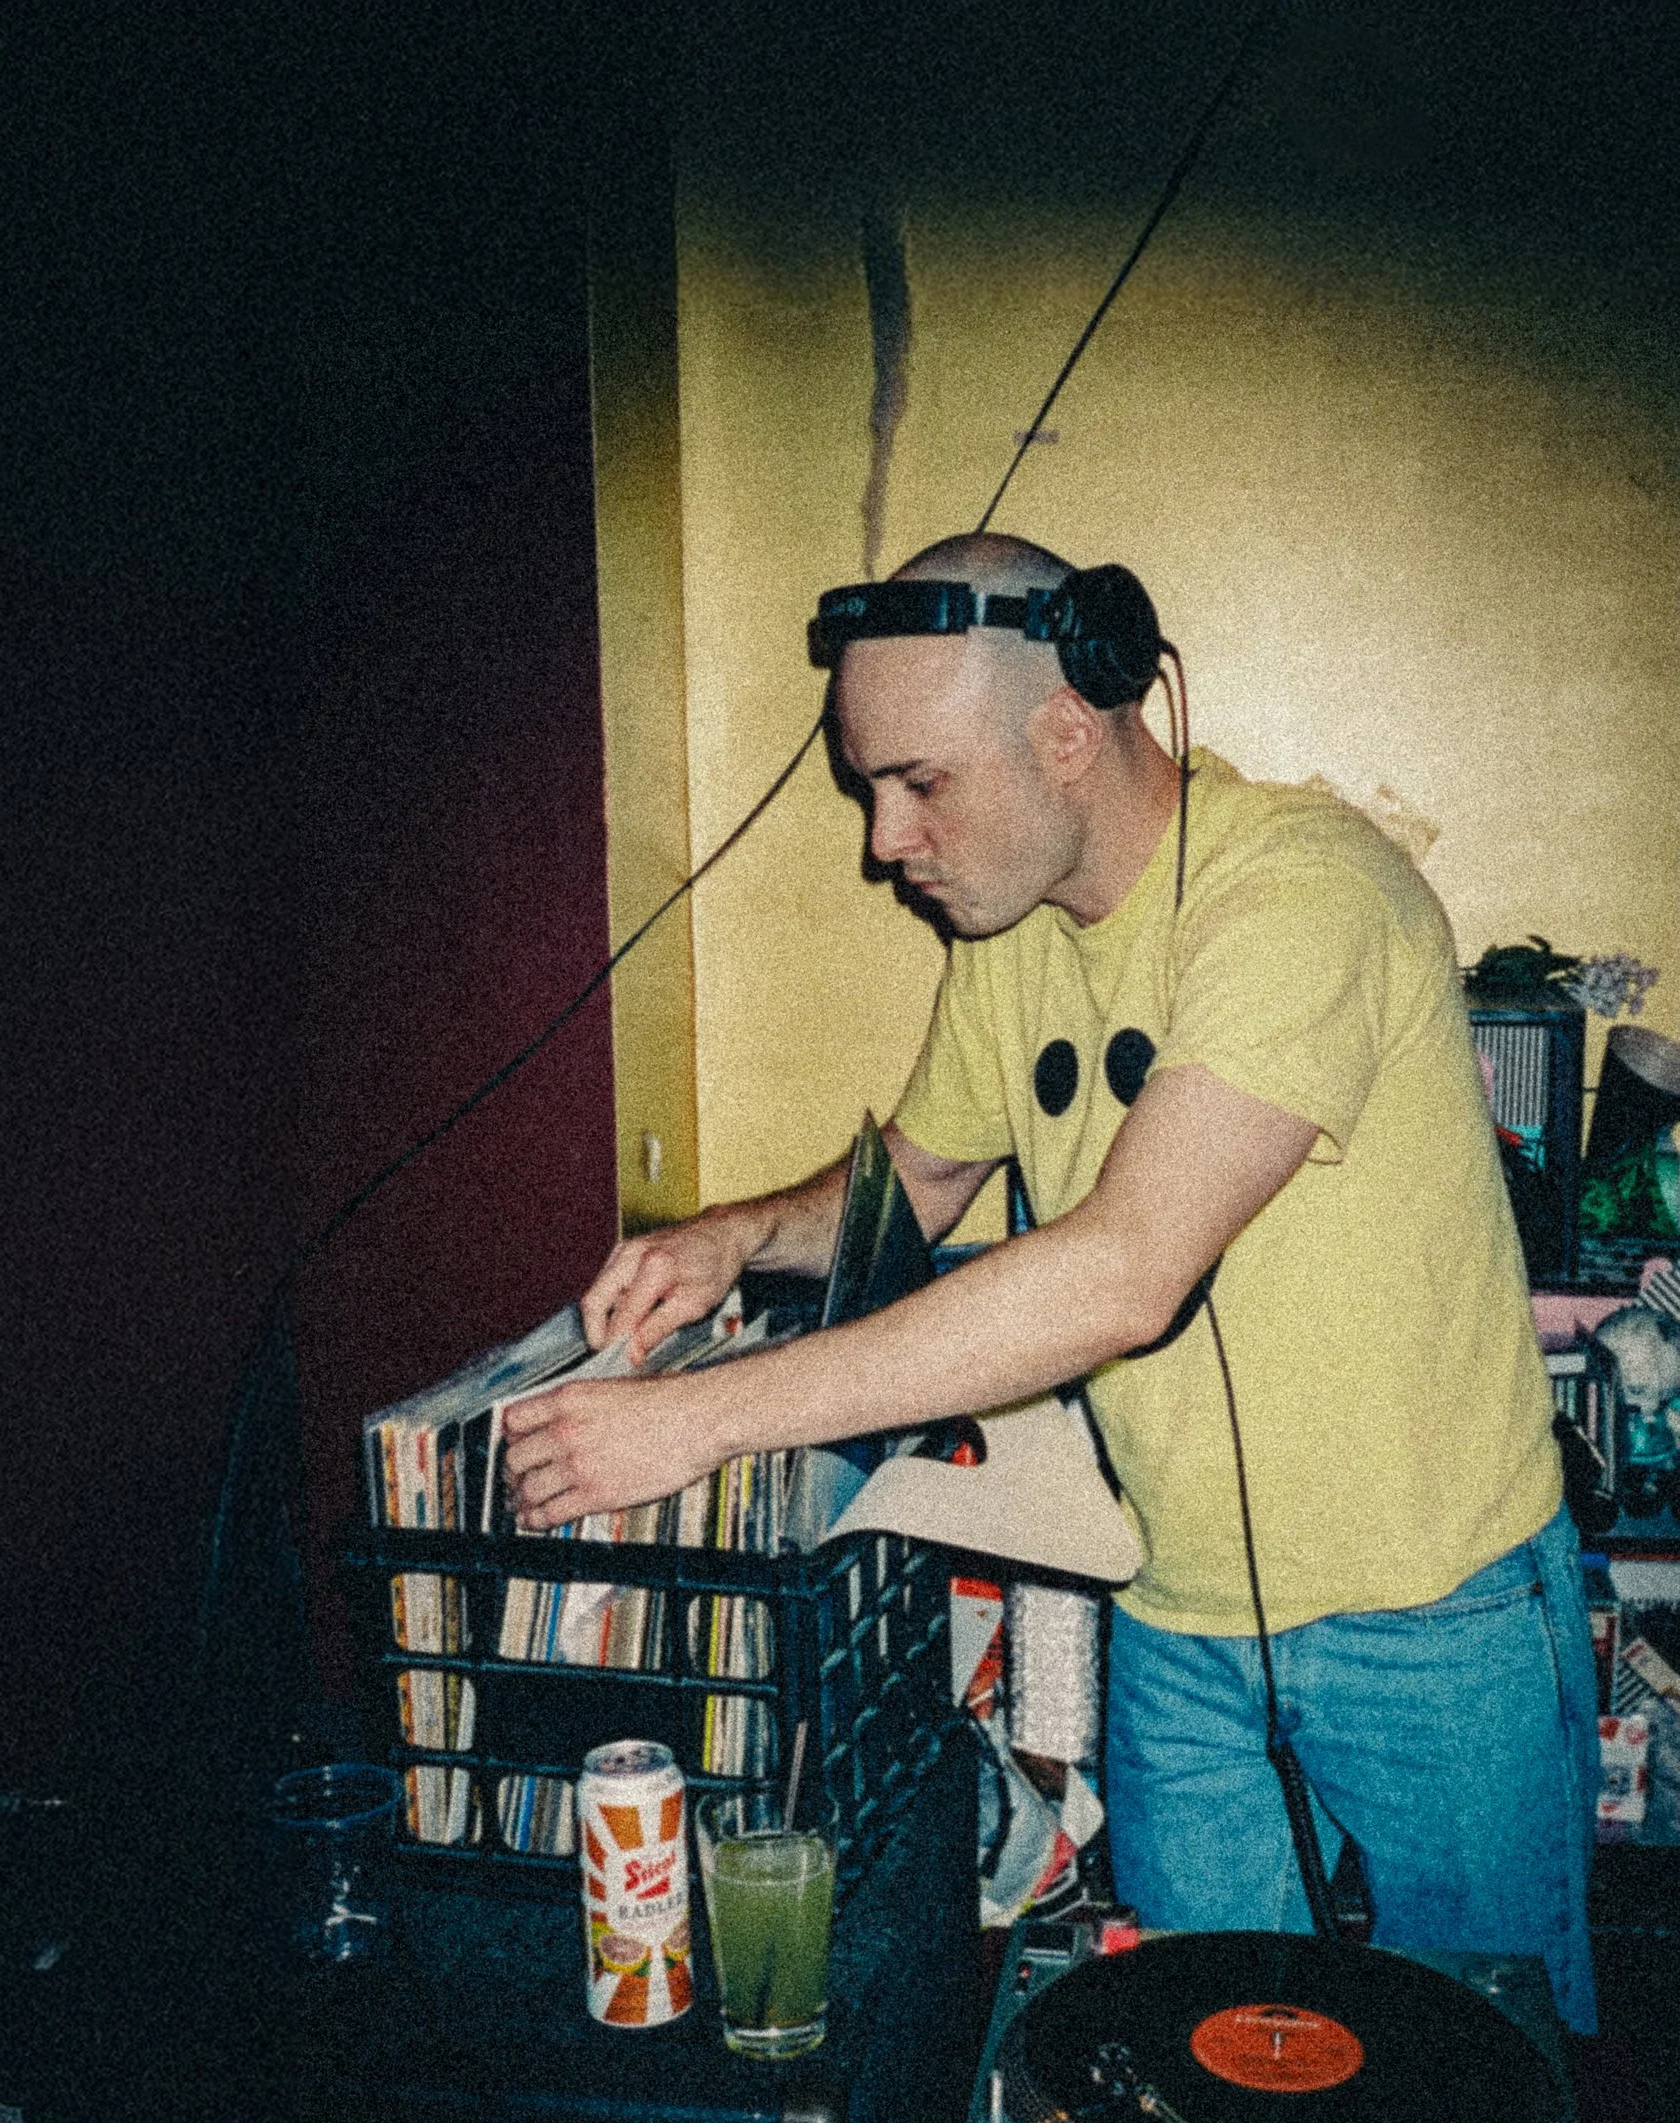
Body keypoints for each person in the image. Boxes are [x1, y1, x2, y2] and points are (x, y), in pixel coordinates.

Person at [502, 530, 1600, 2031]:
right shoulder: (1007, 940)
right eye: (870, 788)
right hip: (1180, 1616)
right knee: (1211, 2083)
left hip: (1438, 1619)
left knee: (1479, 2090)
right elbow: (918, 1181)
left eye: (918, 783)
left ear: (1068, 731)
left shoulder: (1304, 896)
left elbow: (1120, 1274)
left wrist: (702, 1421)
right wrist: (735, 1233)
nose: (885, 840)